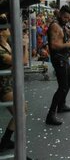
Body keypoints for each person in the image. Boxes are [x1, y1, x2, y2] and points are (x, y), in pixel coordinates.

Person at [0, 14, 28, 152]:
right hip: (3, 87)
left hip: (10, 83)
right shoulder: (0, 51)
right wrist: (25, 46)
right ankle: (8, 145)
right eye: (6, 27)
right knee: (21, 113)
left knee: (21, 112)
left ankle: (5, 142)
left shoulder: (6, 43)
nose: (9, 28)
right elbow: (22, 62)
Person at [45, 5, 70, 126]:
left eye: (68, 17)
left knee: (69, 81)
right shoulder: (55, 26)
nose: (66, 19)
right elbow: (53, 45)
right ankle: (51, 114)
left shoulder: (63, 25)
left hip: (64, 58)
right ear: (60, 14)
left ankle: (61, 104)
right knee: (62, 86)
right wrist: (67, 45)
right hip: (58, 59)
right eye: (65, 17)